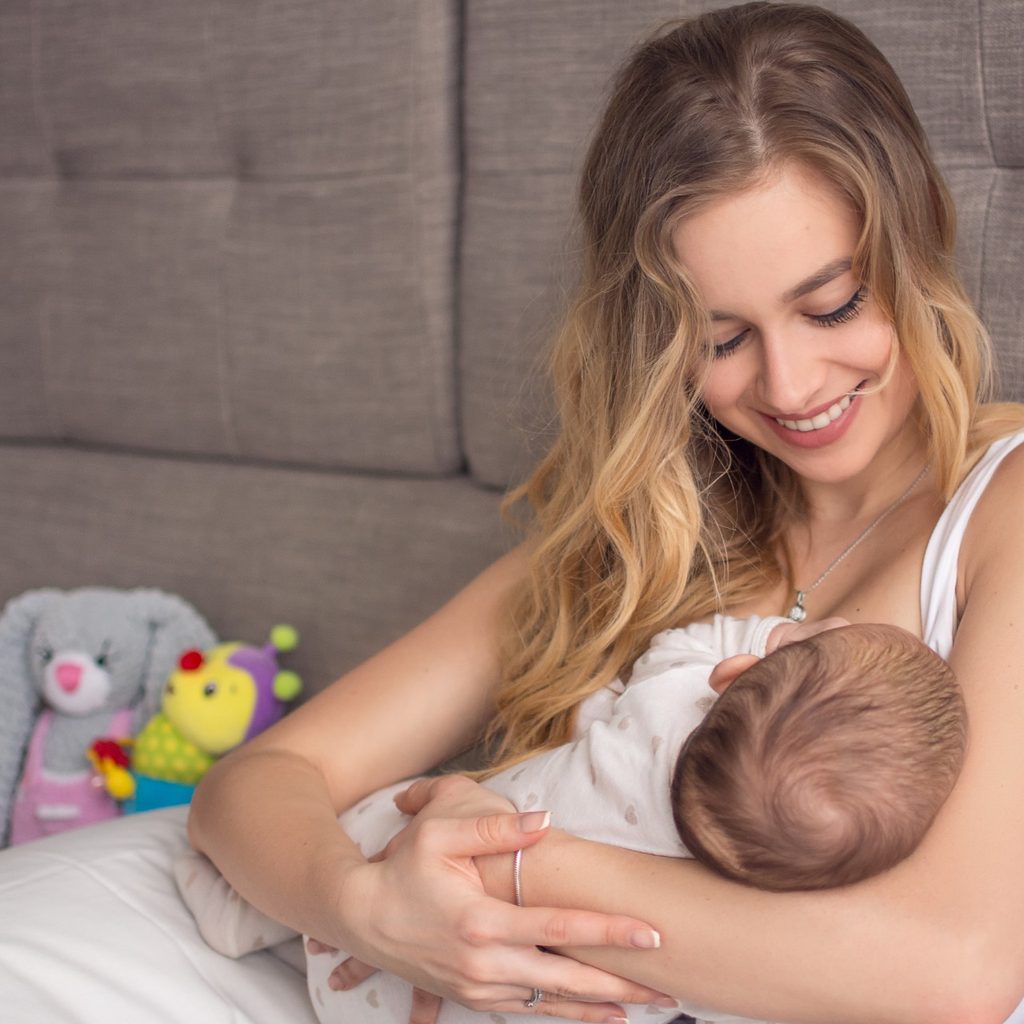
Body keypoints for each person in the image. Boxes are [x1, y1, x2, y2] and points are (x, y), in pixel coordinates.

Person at [188, 3, 1024, 1023]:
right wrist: (367, 904)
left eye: (832, 305)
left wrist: (512, 873)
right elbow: (257, 782)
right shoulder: (639, 547)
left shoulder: (1002, 509)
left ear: (916, 236)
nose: (794, 383)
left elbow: (958, 972)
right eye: (721, 340)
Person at [179, 616, 964, 1024]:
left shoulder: (671, 701)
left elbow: (683, 649)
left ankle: (238, 917)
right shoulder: (747, 924)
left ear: (736, 675)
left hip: (390, 878)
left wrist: (762, 637)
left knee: (413, 808)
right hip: (435, 993)